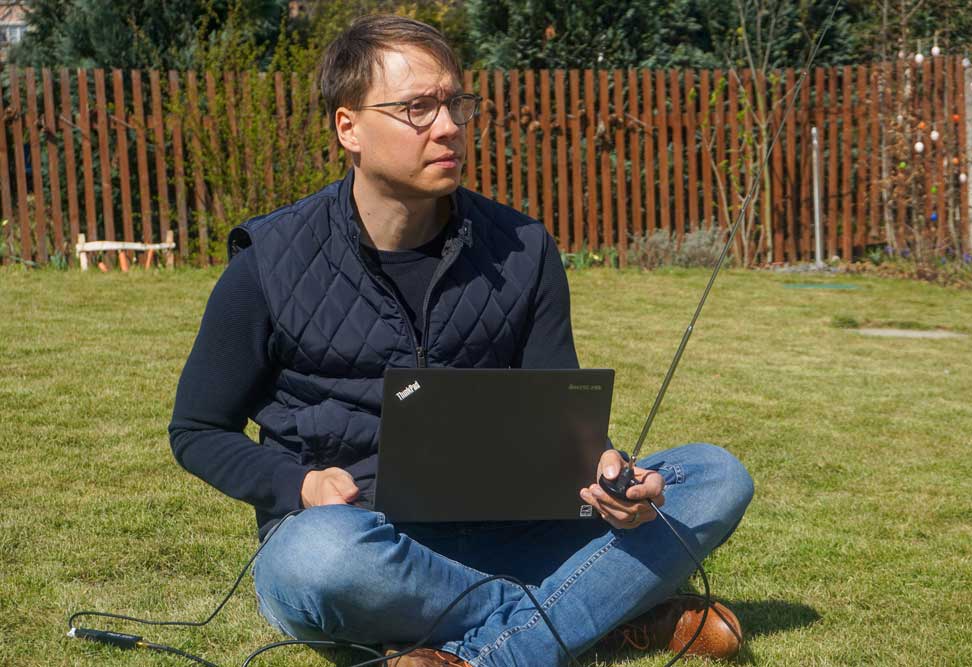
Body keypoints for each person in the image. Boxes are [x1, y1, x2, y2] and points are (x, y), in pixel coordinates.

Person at [168, 14, 754, 667]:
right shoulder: (268, 261)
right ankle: (604, 607)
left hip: (516, 525)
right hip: (368, 544)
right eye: (417, 108)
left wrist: (608, 472)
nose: (447, 126)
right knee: (315, 557)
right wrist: (298, 485)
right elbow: (196, 429)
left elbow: (559, 423)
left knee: (713, 475)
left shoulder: (522, 248)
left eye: (453, 103)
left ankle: (487, 653)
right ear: (348, 127)